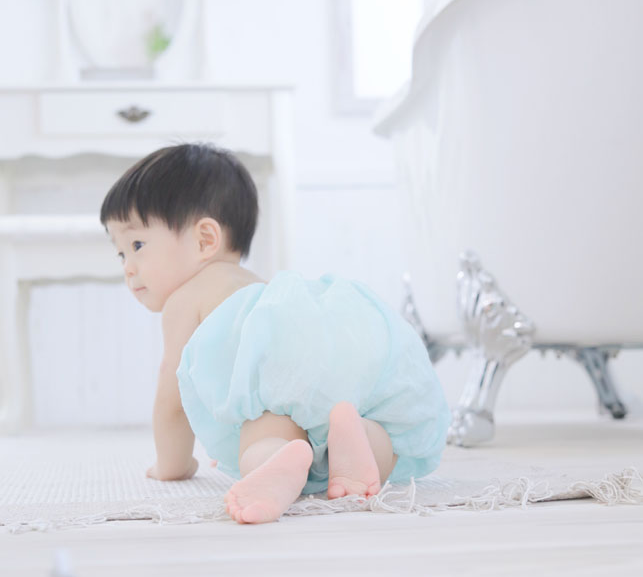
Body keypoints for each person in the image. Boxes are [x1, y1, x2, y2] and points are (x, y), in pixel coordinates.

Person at [101, 143, 450, 524]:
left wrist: (172, 465)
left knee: (268, 429)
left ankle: (273, 463)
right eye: (121, 254)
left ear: (205, 240)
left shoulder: (184, 302)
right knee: (370, 431)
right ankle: (360, 437)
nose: (128, 267)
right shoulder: (262, 290)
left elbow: (173, 403)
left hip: (280, 389)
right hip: (339, 348)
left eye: (137, 245)